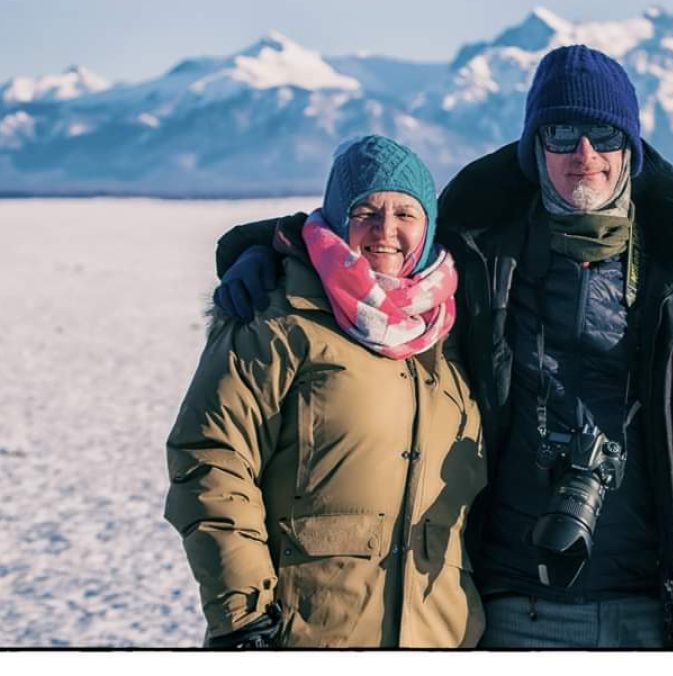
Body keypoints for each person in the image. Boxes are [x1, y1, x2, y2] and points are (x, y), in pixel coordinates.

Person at [215, 45, 673, 649]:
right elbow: (373, 241)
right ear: (534, 148)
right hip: (515, 608)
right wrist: (270, 250)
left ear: (631, 147)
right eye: (561, 134)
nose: (584, 155)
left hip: (666, 606)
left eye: (603, 133)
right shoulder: (476, 249)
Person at [165, 136, 486, 648]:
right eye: (366, 211)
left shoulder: (453, 335)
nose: (386, 231)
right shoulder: (277, 318)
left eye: (406, 213)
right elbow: (212, 458)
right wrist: (243, 616)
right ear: (337, 217)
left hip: (437, 637)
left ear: (428, 227)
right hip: (304, 635)